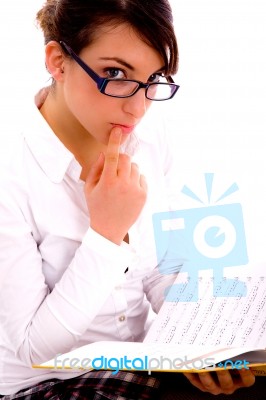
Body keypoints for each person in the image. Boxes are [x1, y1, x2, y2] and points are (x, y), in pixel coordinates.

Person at [0, 0, 259, 398]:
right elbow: (35, 350)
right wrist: (106, 233)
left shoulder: (152, 139)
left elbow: (167, 271)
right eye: (115, 73)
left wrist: (208, 347)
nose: (137, 107)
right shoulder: (11, 174)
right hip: (41, 385)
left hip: (140, 366)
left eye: (153, 77)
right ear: (58, 61)